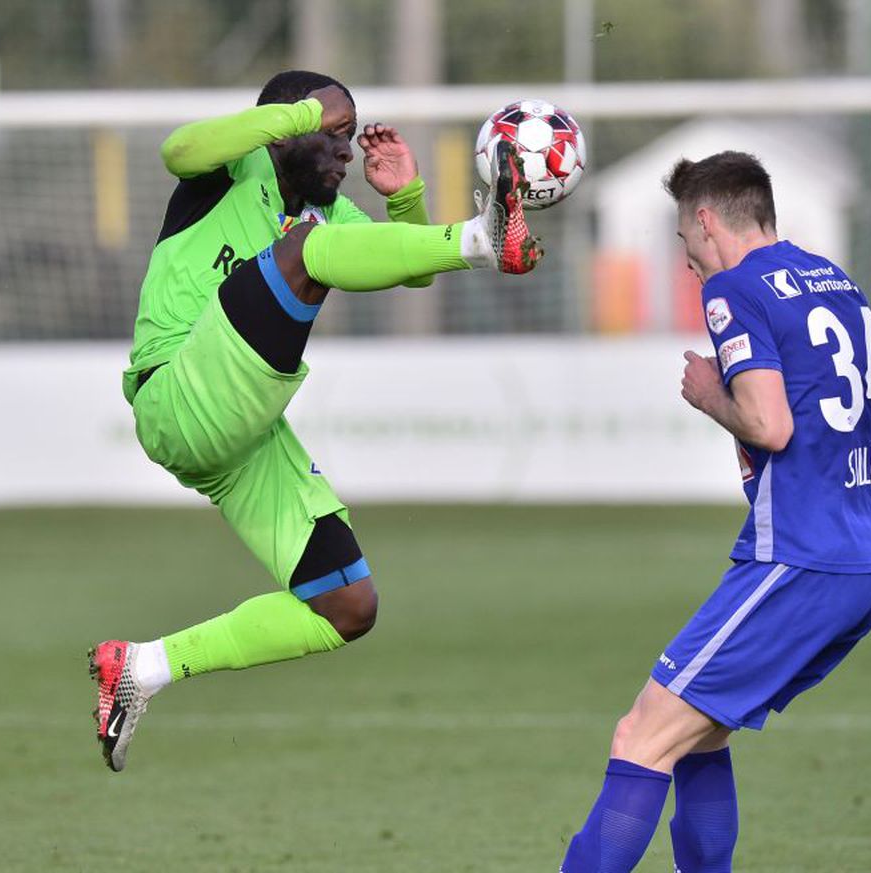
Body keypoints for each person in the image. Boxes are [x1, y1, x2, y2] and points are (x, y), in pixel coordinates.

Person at [88, 70, 540, 772]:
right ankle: (485, 237)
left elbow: (410, 270)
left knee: (348, 605)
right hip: (176, 392)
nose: (348, 153)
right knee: (304, 249)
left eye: (351, 139)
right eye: (334, 135)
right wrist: (299, 113)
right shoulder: (228, 170)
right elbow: (178, 150)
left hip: (237, 437)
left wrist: (407, 199)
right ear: (285, 127)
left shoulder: (327, 220)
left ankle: (143, 667)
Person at [558, 151, 871, 872]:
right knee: (701, 736)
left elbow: (771, 425)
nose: (687, 260)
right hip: (867, 558)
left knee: (640, 737)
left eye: (684, 241)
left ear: (706, 219)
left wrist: (709, 395)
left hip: (800, 559)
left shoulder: (733, 289)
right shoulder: (834, 280)